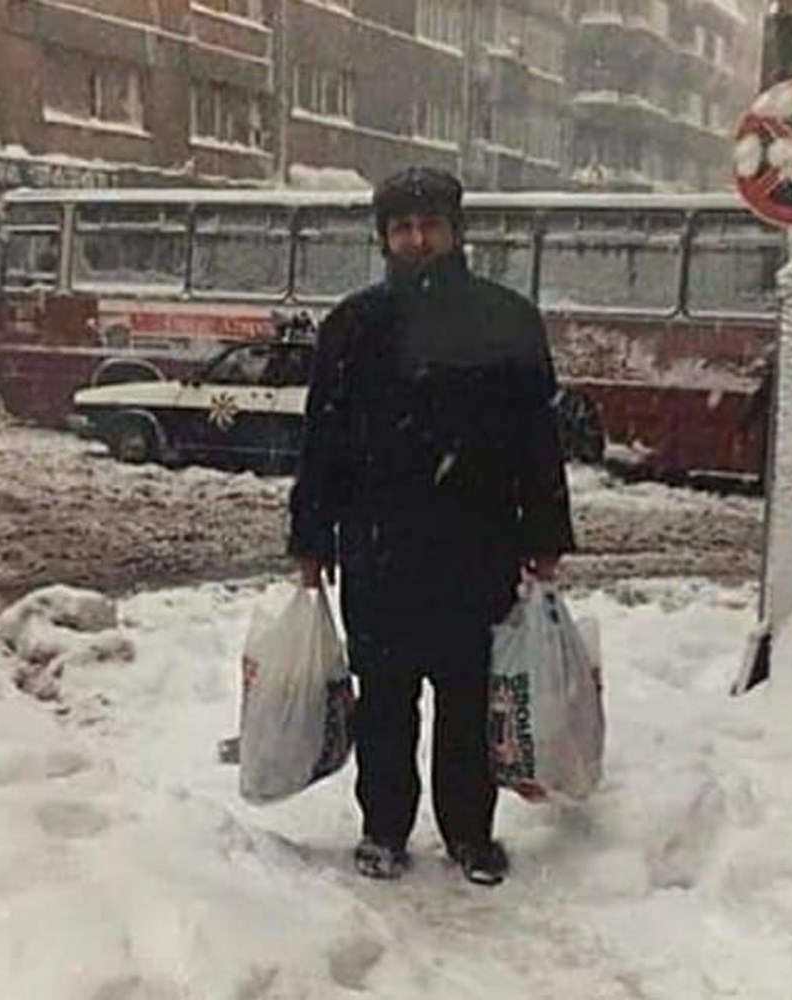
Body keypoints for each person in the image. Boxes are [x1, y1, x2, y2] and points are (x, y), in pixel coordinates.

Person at [288, 166, 575, 886]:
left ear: (456, 231)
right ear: (384, 237)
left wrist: (544, 537)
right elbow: (321, 439)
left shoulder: (506, 319)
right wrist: (311, 538)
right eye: (402, 228)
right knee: (384, 701)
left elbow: (537, 440)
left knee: (469, 703)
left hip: (477, 547)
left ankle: (470, 835)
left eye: (430, 225)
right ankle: (384, 829)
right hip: (378, 547)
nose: (417, 240)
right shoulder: (353, 325)